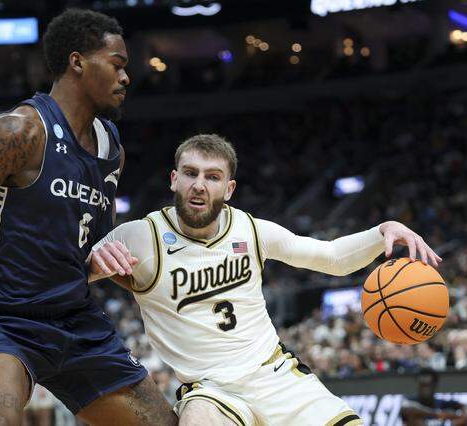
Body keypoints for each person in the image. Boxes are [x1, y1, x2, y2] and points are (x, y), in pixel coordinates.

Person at [0, 8, 177, 425]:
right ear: (77, 61)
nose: (126, 78)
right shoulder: (16, 133)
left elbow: (87, 249)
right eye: (117, 65)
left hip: (77, 320)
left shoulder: (111, 148)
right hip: (3, 320)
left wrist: (105, 263)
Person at [89, 134, 442, 426]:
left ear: (228, 189)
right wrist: (92, 265)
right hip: (212, 391)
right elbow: (68, 270)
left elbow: (331, 257)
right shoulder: (138, 235)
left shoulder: (251, 230)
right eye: (190, 173)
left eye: (212, 177)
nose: (199, 185)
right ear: (173, 179)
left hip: (275, 375)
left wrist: (381, 232)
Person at [401, 368, 467, 426]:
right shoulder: (412, 401)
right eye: (422, 385)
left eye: (428, 386)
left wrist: (463, 417)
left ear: (434, 386)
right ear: (418, 386)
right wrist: (437, 415)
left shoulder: (441, 403)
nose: (424, 389)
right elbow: (406, 407)